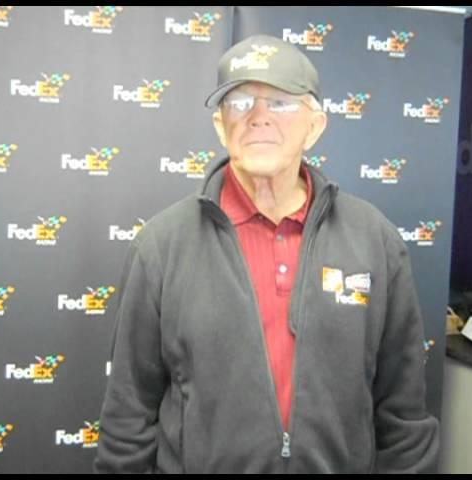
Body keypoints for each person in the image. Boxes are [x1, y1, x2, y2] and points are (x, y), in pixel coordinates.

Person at [94, 34, 439, 474]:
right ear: (220, 125)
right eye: (239, 103)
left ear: (315, 126)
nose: (258, 118)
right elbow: (128, 414)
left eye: (280, 103)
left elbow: (404, 415)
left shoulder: (375, 241)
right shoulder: (162, 246)